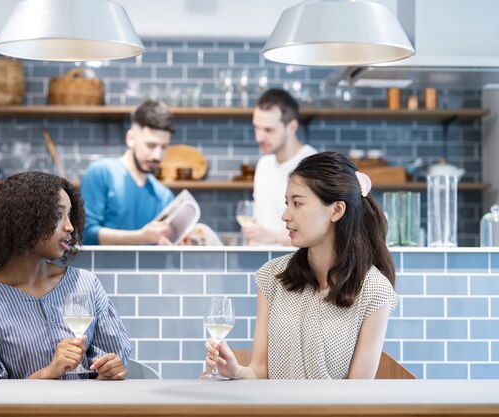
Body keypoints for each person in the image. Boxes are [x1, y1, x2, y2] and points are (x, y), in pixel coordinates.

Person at [205, 152, 398, 379]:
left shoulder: (375, 291)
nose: (285, 215)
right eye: (288, 203)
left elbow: (358, 394)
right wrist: (236, 372)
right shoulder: (272, 277)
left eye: (297, 203)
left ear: (336, 210)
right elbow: (259, 372)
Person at [0, 171, 131, 379]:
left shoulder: (86, 284)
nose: (69, 226)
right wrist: (48, 373)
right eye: (57, 215)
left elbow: (114, 357)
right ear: (22, 220)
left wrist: (108, 370)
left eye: (70, 215)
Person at [81, 99, 176, 245]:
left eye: (164, 147)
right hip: (100, 268)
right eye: (151, 145)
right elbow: (85, 234)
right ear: (130, 138)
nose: (157, 155)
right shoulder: (101, 173)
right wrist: (140, 237)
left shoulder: (164, 196)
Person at [242, 88, 317, 246]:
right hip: (263, 265)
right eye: (256, 127)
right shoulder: (264, 164)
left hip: (296, 266)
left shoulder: (312, 164)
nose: (259, 137)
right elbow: (259, 219)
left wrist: (274, 237)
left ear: (292, 127)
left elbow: (318, 232)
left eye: (268, 130)